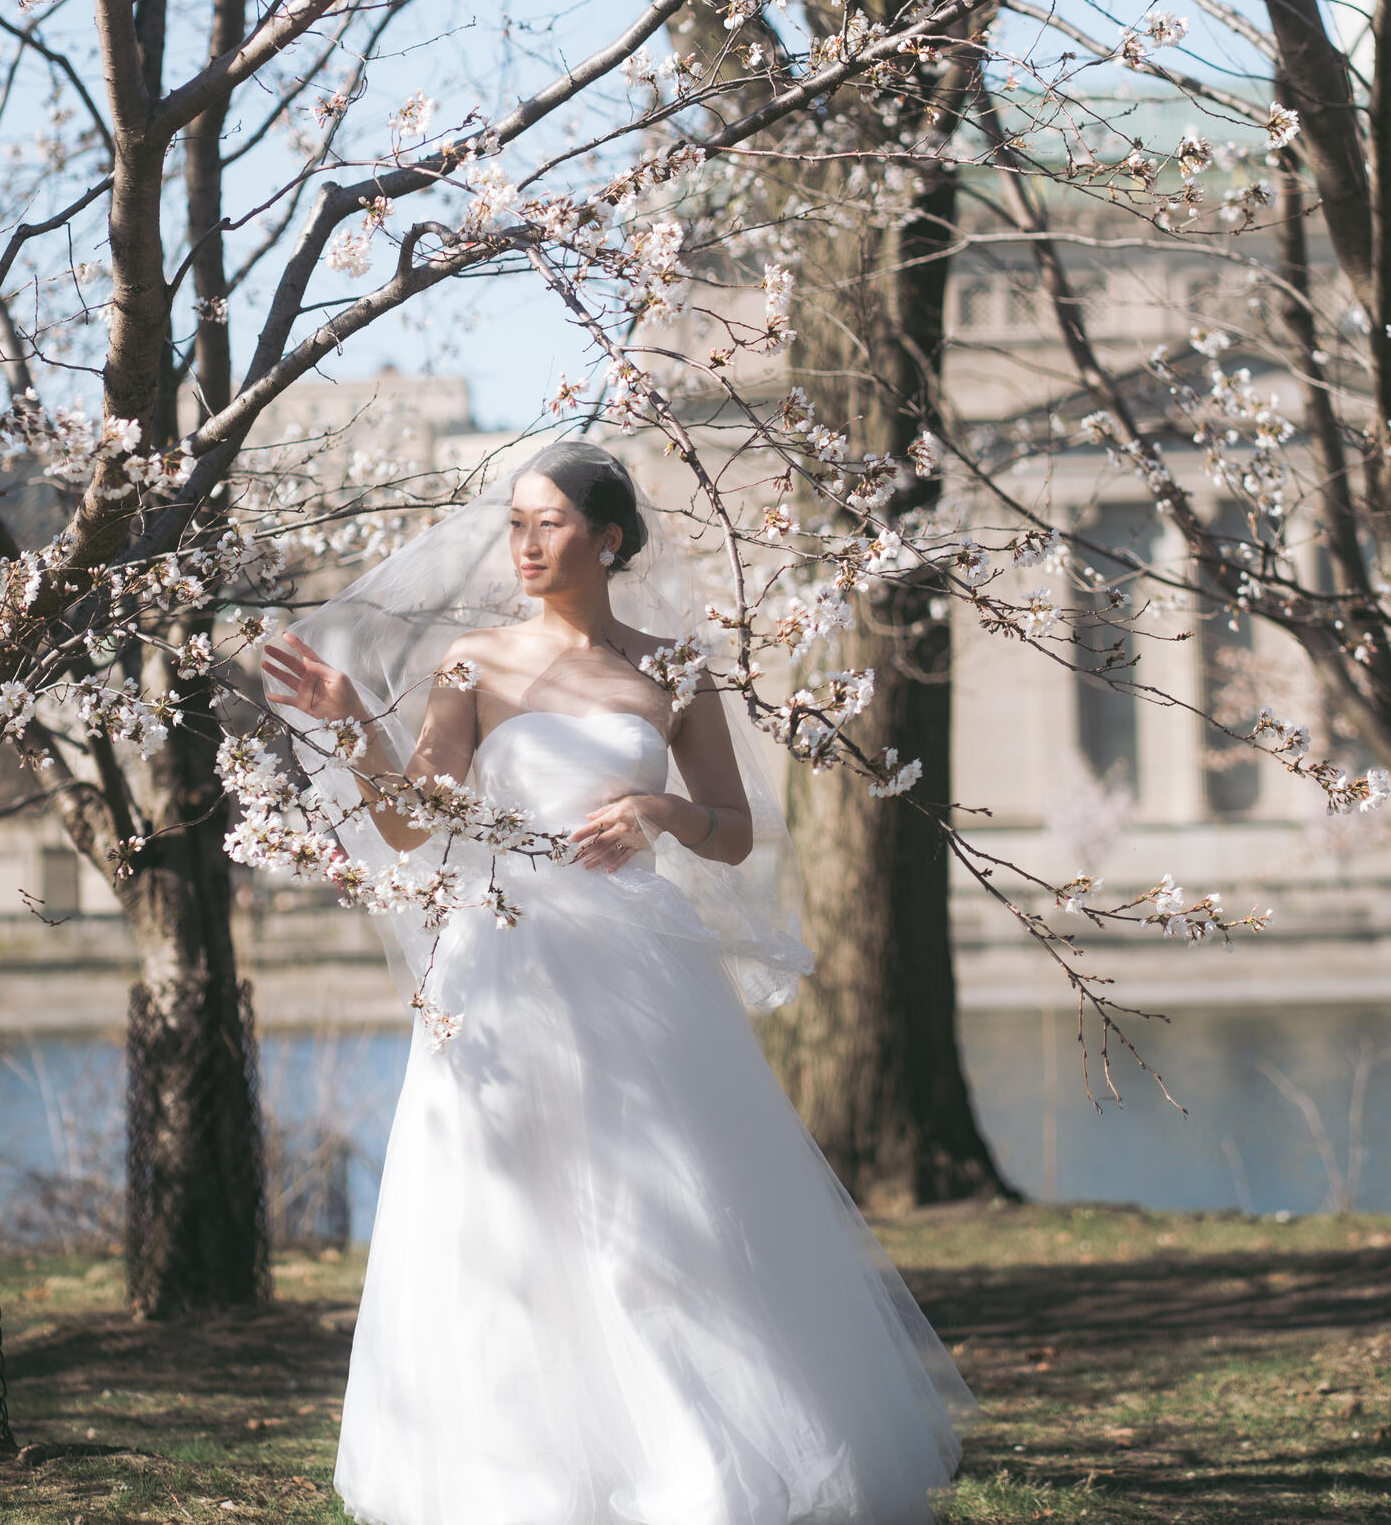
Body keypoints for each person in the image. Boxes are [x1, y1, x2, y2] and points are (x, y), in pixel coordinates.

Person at [262, 442, 974, 1525]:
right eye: (515, 523)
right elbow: (410, 822)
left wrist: (663, 814)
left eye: (549, 523)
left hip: (640, 971)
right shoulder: (474, 664)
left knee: (658, 1214)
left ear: (607, 537)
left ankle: (695, 1465)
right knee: (506, 1211)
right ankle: (520, 1477)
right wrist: (354, 719)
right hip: (503, 969)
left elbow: (735, 834)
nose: (526, 544)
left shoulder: (673, 669)